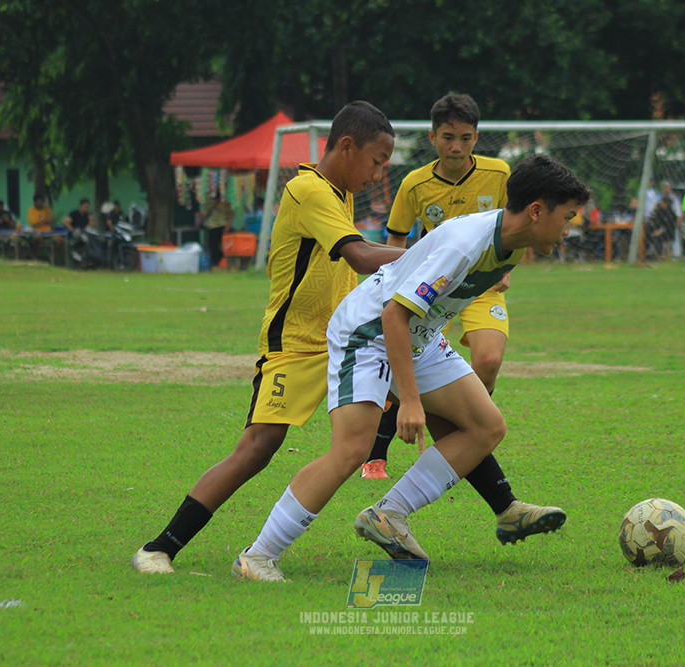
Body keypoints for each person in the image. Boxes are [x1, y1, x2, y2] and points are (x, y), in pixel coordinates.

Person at [232, 154, 591, 581]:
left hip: (416, 336)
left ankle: (390, 514)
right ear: (536, 211)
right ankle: (257, 556)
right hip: (368, 332)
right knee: (352, 449)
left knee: (486, 425)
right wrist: (411, 402)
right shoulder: (467, 243)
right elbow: (393, 316)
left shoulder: (511, 243)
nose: (569, 230)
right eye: (566, 218)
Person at [131, 101, 405, 574]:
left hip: (344, 340)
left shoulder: (341, 191)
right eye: (378, 161)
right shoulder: (308, 190)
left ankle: (496, 502)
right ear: (346, 146)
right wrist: (434, 253)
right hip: (296, 345)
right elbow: (360, 256)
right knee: (258, 448)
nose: (380, 173)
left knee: (442, 396)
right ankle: (159, 548)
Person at [359, 93, 564, 552]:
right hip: (424, 299)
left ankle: (468, 459)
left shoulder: (499, 174)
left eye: (465, 138)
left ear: (476, 138)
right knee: (448, 418)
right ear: (433, 138)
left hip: (477, 291)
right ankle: (263, 550)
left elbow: (513, 229)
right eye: (447, 138)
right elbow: (396, 250)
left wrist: (503, 268)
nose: (456, 146)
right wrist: (416, 274)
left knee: (486, 365)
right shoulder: (414, 184)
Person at [197, 193, 235, 268]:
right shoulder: (226, 203)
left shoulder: (209, 204)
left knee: (213, 246)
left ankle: (216, 263)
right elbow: (232, 214)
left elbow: (204, 215)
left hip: (212, 227)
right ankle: (224, 261)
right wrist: (228, 225)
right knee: (225, 246)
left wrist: (199, 223)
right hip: (223, 228)